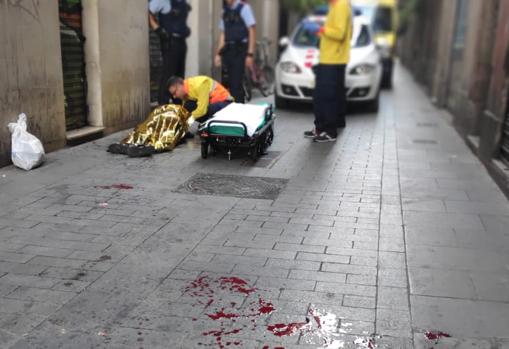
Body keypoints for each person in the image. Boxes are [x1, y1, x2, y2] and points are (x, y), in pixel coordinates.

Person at [305, 0, 352, 142]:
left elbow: (339, 33)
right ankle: (320, 128)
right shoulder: (335, 6)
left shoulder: (341, 5)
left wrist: (320, 29)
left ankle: (329, 131)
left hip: (333, 59)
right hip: (329, 58)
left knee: (326, 96)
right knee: (322, 95)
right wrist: (320, 31)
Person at [149, 0, 191, 105]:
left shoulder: (183, 2)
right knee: (168, 75)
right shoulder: (162, 1)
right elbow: (148, 13)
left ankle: (178, 106)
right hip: (170, 42)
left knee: (179, 76)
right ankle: (163, 105)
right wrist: (157, 29)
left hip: (181, 42)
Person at [214, 0, 256, 104]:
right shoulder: (225, 11)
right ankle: (232, 110)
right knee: (227, 83)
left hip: (240, 50)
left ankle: (238, 111)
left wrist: (250, 54)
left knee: (236, 84)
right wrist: (218, 54)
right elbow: (223, 34)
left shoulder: (244, 8)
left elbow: (252, 30)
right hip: (228, 51)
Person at [167, 76, 234, 126]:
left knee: (210, 108)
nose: (174, 96)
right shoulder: (186, 92)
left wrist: (187, 120)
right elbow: (185, 111)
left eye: (174, 93)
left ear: (180, 86)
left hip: (225, 104)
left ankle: (211, 126)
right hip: (213, 104)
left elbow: (202, 110)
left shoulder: (200, 84)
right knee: (188, 107)